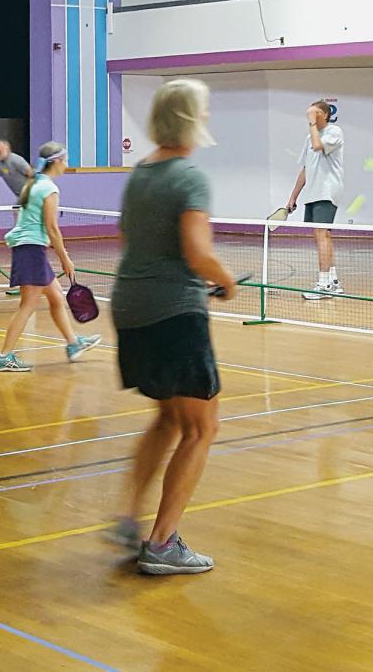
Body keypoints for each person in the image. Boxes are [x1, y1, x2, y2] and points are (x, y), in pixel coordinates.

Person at [109, 79, 236, 576]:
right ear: (190, 119)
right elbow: (197, 253)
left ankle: (128, 517)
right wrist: (225, 281)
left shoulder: (140, 174)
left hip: (130, 309)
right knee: (203, 427)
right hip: (173, 313)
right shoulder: (189, 178)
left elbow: (131, 236)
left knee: (168, 419)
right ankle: (162, 544)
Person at [0, 142, 101, 372]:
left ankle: (72, 343)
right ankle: (3, 356)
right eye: (66, 160)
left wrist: (47, 243)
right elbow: (52, 227)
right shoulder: (48, 189)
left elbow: (32, 221)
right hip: (30, 249)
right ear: (57, 162)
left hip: (30, 247)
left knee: (56, 298)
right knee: (28, 304)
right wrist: (65, 258)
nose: (67, 165)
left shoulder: (32, 184)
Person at [286, 101, 344, 299]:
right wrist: (293, 196)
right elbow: (305, 169)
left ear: (325, 114)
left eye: (316, 112)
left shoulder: (334, 131)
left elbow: (318, 146)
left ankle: (323, 283)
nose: (310, 115)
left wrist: (312, 122)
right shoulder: (308, 138)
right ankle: (333, 281)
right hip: (312, 192)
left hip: (327, 190)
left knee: (322, 234)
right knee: (322, 235)